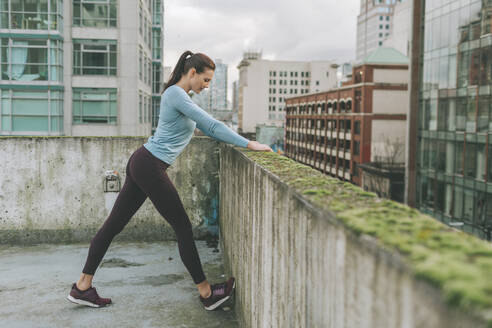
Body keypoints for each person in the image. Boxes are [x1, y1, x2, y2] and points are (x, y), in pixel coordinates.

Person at [66, 50, 273, 310]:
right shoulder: (176, 94)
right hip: (149, 165)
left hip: (144, 162)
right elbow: (210, 126)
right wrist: (248, 143)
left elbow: (204, 125)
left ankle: (82, 286)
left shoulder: (179, 96)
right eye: (206, 80)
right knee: (182, 228)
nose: (207, 87)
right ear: (192, 73)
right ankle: (207, 293)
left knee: (113, 225)